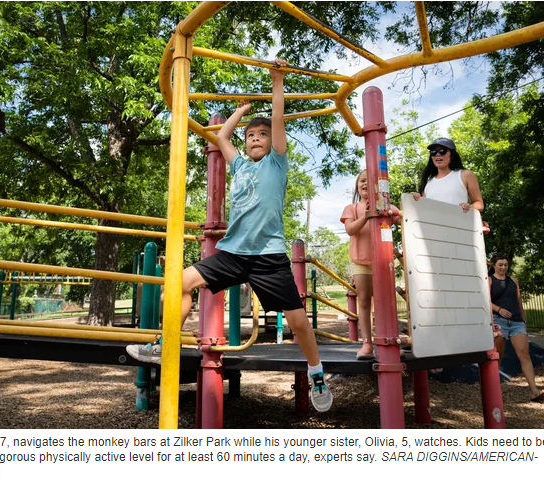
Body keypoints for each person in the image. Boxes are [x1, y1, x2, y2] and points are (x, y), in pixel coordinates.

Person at [127, 59, 333, 412]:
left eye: (262, 135)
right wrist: (241, 112)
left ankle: (316, 372)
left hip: (268, 256)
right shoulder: (238, 165)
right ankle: (166, 342)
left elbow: (278, 121)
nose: (256, 139)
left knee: (298, 322)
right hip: (233, 253)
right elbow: (222, 136)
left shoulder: (277, 164)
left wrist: (277, 83)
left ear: (271, 142)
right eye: (251, 136)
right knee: (178, 284)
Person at [340, 169, 401, 360]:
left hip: (383, 263)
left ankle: (390, 340)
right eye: (362, 181)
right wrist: (366, 216)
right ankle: (367, 343)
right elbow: (350, 229)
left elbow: (403, 219)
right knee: (365, 301)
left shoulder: (385, 206)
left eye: (370, 181)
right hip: (361, 261)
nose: (365, 184)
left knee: (386, 302)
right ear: (357, 186)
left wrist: (410, 203)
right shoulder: (352, 208)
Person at [489, 254, 544, 402]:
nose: (503, 267)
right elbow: (485, 301)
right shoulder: (489, 281)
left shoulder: (513, 281)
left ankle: (535, 392)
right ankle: (494, 395)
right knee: (498, 357)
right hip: (499, 322)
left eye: (506, 265)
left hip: (517, 323)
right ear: (494, 265)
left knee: (525, 355)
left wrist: (523, 321)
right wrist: (498, 309)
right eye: (500, 264)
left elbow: (519, 301)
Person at [411, 138, 484, 213]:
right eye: (433, 152)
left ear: (452, 155)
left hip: (457, 220)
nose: (438, 154)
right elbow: (423, 208)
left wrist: (469, 207)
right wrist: (416, 200)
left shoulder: (465, 175)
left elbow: (479, 204)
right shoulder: (428, 180)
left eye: (442, 151)